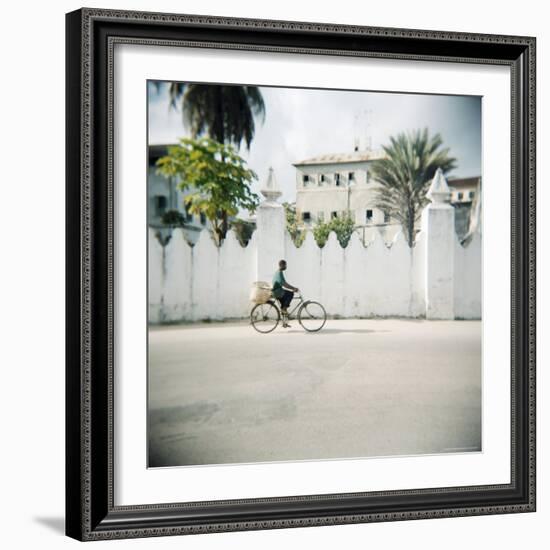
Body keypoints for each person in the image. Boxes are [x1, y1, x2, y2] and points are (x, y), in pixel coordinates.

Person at [272, 259, 299, 328]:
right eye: (285, 265)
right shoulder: (279, 272)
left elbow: (284, 282)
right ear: (282, 265)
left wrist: (292, 288)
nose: (286, 266)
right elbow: (284, 284)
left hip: (278, 291)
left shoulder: (279, 272)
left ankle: (284, 323)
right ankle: (284, 309)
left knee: (284, 304)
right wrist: (293, 288)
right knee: (290, 294)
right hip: (278, 291)